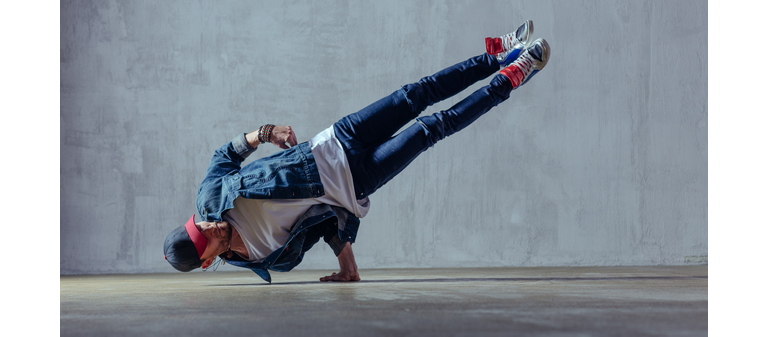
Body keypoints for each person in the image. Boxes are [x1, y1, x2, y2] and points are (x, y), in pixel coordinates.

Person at [163, 20, 550, 283]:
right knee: (432, 127)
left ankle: (499, 56)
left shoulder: (209, 199)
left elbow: (223, 157)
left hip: (334, 142)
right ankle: (512, 77)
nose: (209, 225)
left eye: (199, 226)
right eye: (206, 238)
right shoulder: (268, 261)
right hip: (356, 182)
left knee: (416, 94)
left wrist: (264, 133)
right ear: (208, 260)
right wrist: (348, 265)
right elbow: (321, 223)